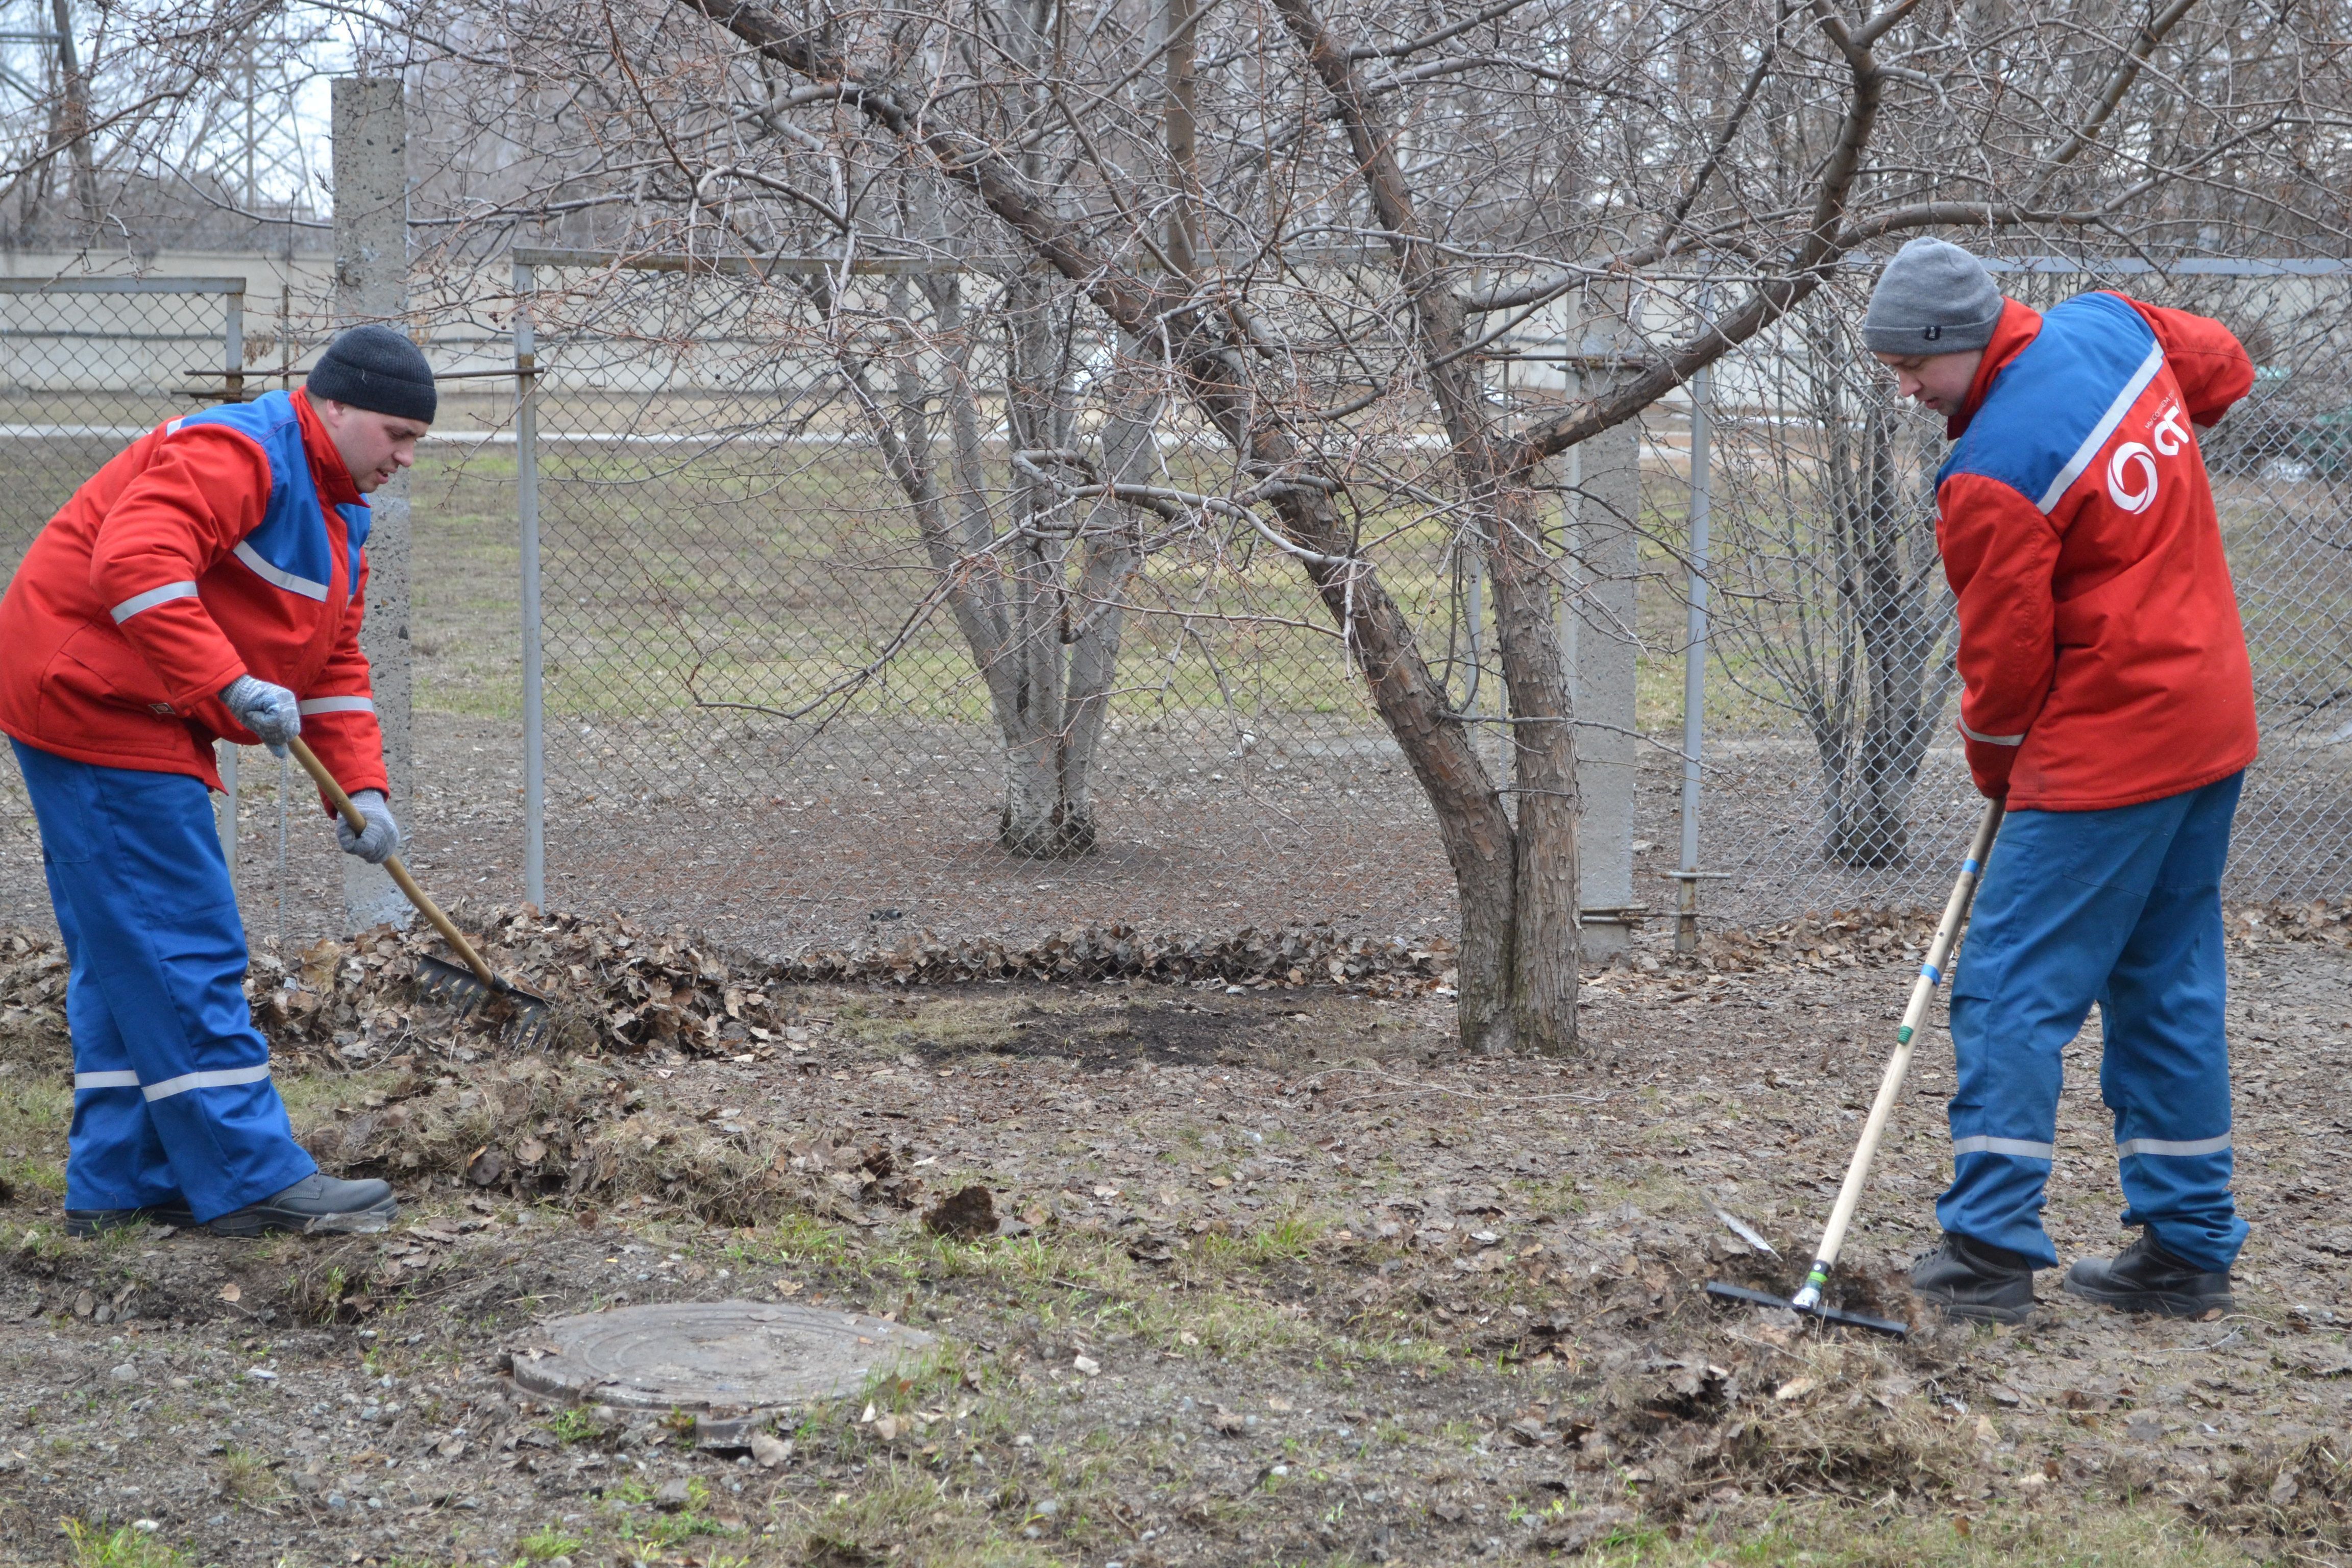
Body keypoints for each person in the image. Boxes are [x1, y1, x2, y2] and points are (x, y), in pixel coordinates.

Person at [1865, 237, 2258, 1323]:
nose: (1906, 390)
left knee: (2009, 988)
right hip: (2210, 719)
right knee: (2167, 984)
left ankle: (1988, 1253)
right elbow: (2225, 368)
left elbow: (2003, 663)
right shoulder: (2116, 326)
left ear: (1965, 339)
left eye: (1914, 366)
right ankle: (2188, 1250)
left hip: (2108, 749)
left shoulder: (1991, 473)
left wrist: (1998, 768)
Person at [0, 325, 436, 1237]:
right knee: (182, 937)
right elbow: (134, 561)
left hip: (132, 701)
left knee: (127, 952)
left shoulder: (339, 511)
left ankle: (123, 1181)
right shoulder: (241, 454)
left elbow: (333, 662)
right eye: (397, 434)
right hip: (95, 696)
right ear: (336, 405)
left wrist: (361, 790)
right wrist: (227, 682)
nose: (405, 458)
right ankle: (247, 1176)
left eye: (415, 442)